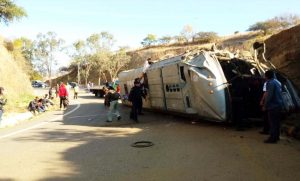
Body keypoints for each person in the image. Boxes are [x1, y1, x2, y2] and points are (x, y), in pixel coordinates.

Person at [263, 70, 284, 144]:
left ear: (266, 76)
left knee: (272, 123)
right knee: (277, 122)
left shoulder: (270, 83)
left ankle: (272, 138)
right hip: (279, 105)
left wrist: (265, 105)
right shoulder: (277, 82)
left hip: (273, 106)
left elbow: (269, 96)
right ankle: (276, 136)